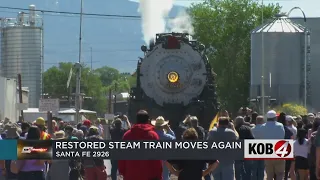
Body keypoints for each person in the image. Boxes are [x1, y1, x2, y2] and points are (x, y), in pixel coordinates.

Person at [118, 110, 162, 180]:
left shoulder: (127, 135)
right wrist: (159, 176)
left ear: (137, 120)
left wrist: (123, 172)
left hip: (130, 175)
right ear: (148, 120)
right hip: (149, 176)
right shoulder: (153, 136)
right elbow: (157, 159)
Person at [260, 110, 285, 180]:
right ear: (275, 118)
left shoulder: (262, 127)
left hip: (267, 151)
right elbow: (282, 137)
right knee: (280, 173)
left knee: (269, 174)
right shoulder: (280, 125)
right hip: (279, 150)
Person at [251, 115, 265, 180]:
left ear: (256, 121)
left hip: (254, 149)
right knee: (261, 167)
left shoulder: (252, 129)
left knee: (254, 167)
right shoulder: (265, 129)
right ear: (262, 121)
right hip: (263, 148)